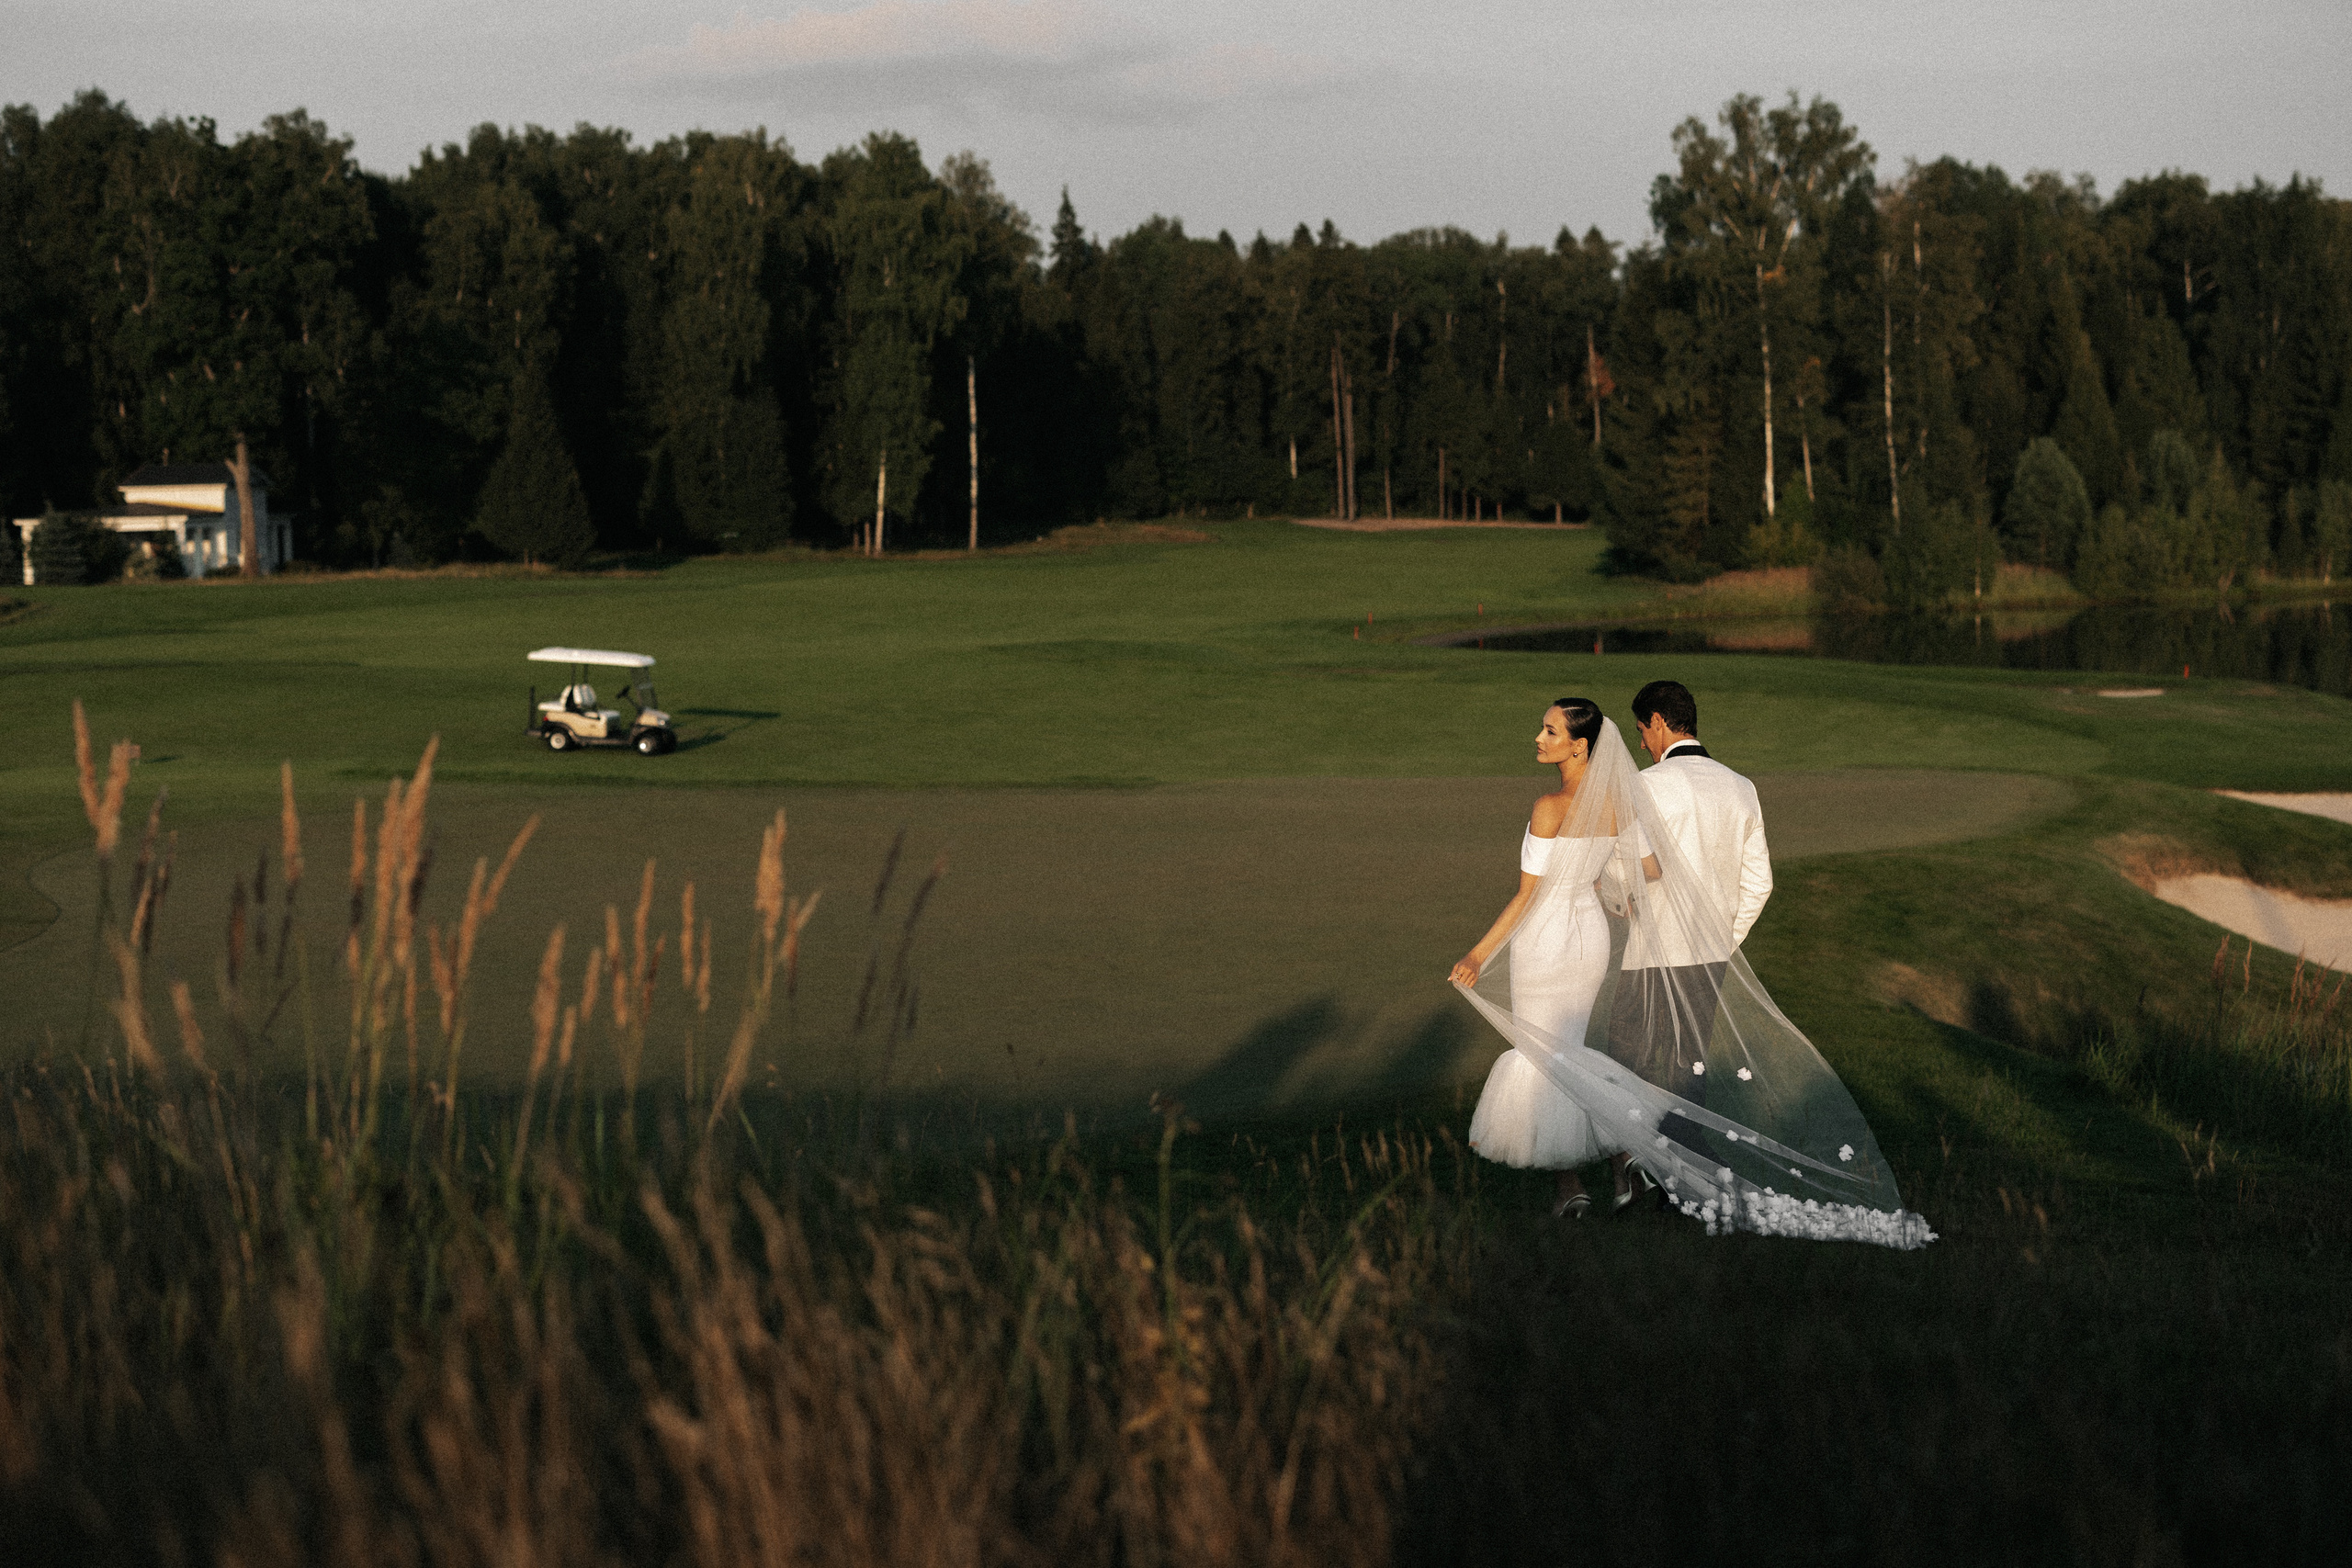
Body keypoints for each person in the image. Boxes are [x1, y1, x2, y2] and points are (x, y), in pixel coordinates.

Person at [1450, 698, 1632, 1218]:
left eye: (1550, 731)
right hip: (1589, 936)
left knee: (1544, 1056)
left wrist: (1478, 955)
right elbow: (1617, 874)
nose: (1538, 737)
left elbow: (1526, 895)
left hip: (1546, 940)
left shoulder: (1549, 807)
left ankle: (1570, 1186)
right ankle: (1621, 1163)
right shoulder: (1618, 804)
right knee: (1567, 1050)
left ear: (1579, 746)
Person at [1607, 679, 1771, 1199]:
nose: (1640, 744)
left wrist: (1615, 902)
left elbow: (1623, 872)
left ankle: (1646, 1172)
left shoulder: (1648, 786)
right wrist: (1723, 939)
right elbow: (1759, 884)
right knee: (1687, 1068)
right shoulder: (1740, 786)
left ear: (1658, 722)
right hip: (1709, 954)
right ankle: (1680, 1177)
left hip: (1649, 954)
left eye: (1640, 731)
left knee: (1624, 1059)